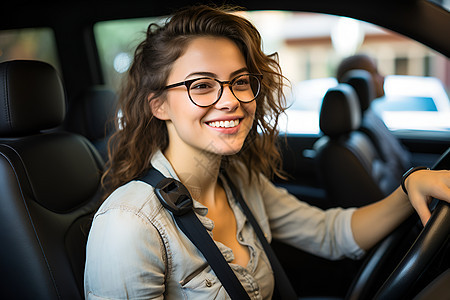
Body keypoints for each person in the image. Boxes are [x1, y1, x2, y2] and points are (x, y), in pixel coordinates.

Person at [84, 5, 450, 299]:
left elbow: (331, 233)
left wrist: (410, 186)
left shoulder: (240, 182)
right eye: (202, 85)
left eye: (240, 82)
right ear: (159, 105)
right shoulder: (129, 221)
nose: (230, 101)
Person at [336, 54, 413, 181]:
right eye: (375, 72)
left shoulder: (371, 117)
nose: (384, 77)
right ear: (360, 82)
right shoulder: (364, 128)